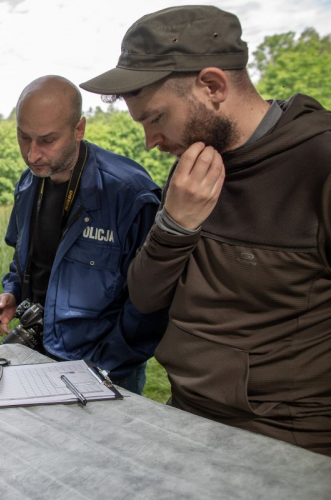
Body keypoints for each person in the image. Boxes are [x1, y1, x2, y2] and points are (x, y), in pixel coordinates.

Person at [80, 5, 331, 455]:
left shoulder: (318, 164)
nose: (149, 142)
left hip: (287, 444)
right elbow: (145, 296)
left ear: (212, 85)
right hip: (185, 419)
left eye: (155, 118)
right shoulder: (191, 167)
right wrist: (175, 226)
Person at [0, 75, 169, 395]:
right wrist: (12, 292)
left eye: (46, 140)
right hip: (36, 355)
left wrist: (109, 362)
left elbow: (152, 299)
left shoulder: (129, 192)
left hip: (106, 370)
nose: (32, 155)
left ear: (79, 129)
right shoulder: (28, 183)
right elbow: (23, 258)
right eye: (23, 138)